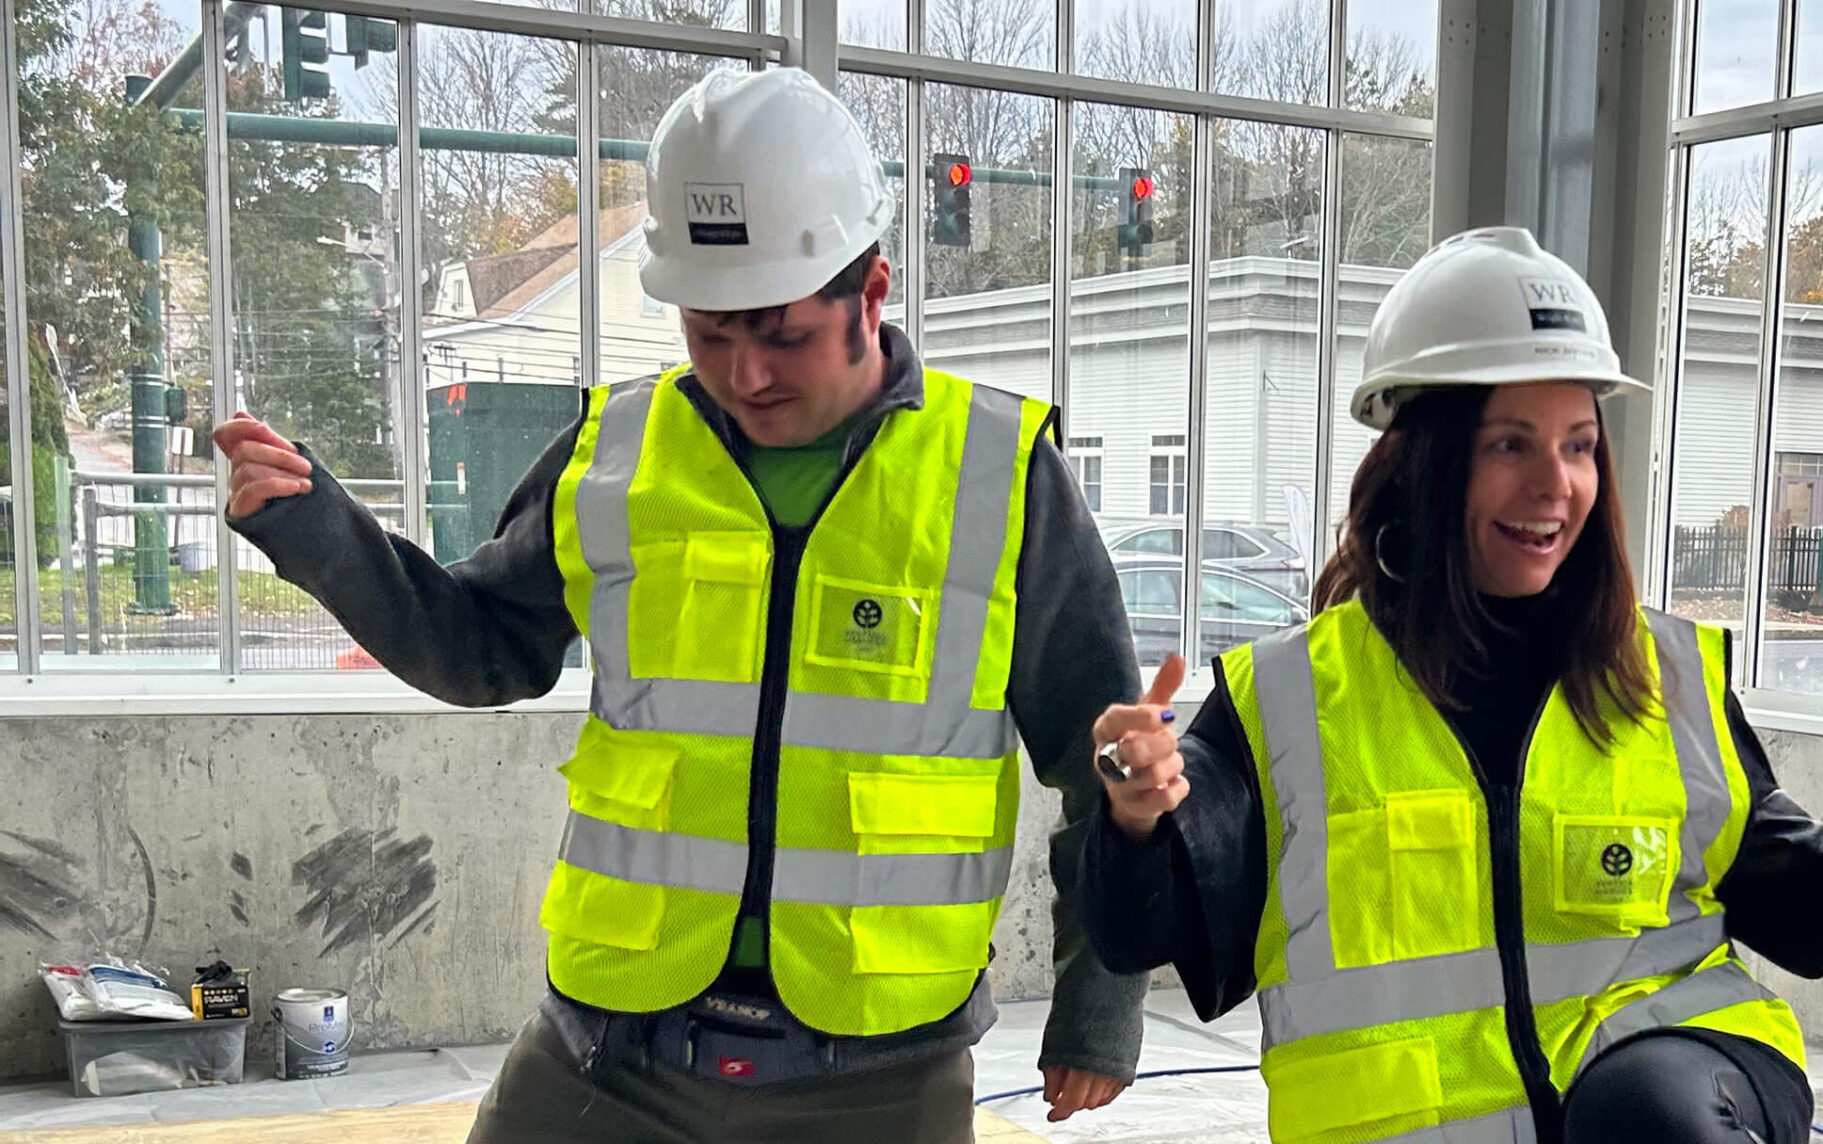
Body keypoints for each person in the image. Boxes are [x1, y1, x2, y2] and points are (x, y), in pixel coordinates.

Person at [216, 68, 1149, 1143]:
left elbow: (1104, 764)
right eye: (709, 333)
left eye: (781, 333)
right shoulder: (615, 451)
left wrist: (1100, 1009)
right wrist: (323, 534)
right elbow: (480, 650)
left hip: (877, 1076)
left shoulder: (1000, 475)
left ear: (872, 291)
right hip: (607, 1055)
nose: (745, 373)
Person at [1079, 226, 1823, 1144]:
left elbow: (1811, 914)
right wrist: (1131, 818)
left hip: (1678, 1096)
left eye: (1579, 444)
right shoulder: (1288, 701)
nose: (1557, 483)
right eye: (1510, 444)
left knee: (1645, 1110)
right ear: (1424, 459)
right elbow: (1137, 930)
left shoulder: (1661, 676)